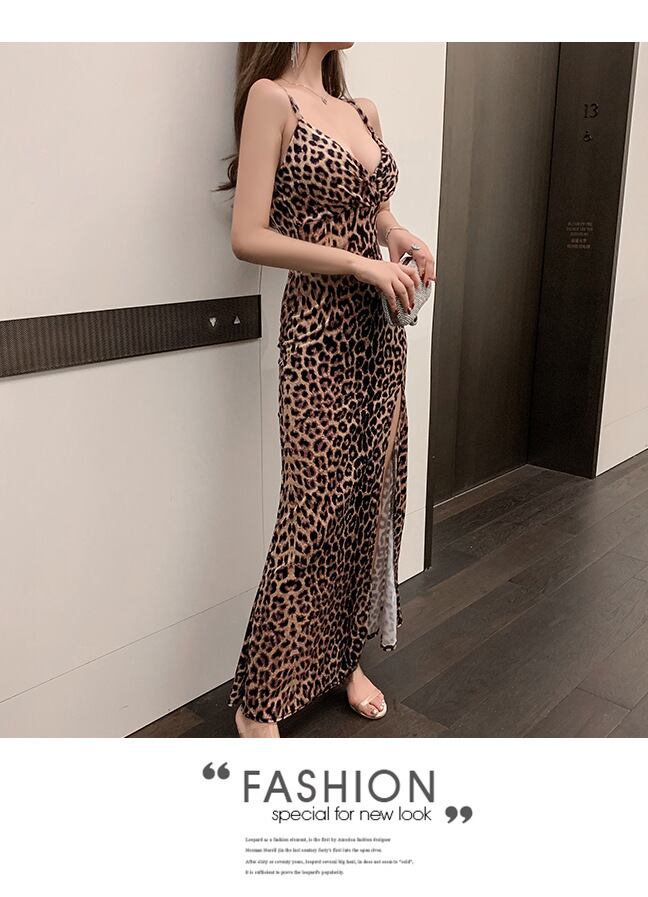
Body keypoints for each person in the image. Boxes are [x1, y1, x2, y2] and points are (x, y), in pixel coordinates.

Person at [217, 42, 436, 737]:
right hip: (319, 333)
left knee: (370, 501)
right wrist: (359, 265)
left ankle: (344, 660)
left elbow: (376, 213)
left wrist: (399, 237)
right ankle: (258, 700)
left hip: (381, 332)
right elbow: (248, 235)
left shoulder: (360, 110)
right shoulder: (272, 100)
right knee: (311, 513)